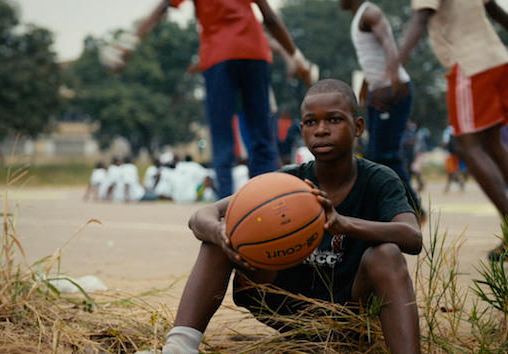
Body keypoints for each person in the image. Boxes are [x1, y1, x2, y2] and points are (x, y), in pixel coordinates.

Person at [161, 79, 422, 353]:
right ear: (302, 129)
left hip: (348, 310)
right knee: (225, 233)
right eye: (311, 122)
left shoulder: (379, 180)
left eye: (334, 120)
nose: (321, 130)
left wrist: (345, 224)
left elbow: (412, 237)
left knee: (386, 255)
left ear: (358, 127)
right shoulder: (286, 183)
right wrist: (221, 234)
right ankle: (179, 348)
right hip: (282, 304)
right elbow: (201, 216)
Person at [124, 0, 317, 199]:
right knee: (262, 137)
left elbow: (163, 6)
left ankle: (225, 212)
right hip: (254, 52)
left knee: (222, 138)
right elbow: (269, 18)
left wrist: (129, 42)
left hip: (219, 54)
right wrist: (296, 55)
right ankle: (267, 202)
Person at [399, 0, 508, 261]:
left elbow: (420, 17)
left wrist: (393, 64)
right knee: (492, 145)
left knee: (467, 146)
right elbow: (492, 7)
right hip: (497, 57)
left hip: (469, 65)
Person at [340, 0, 424, 218]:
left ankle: (414, 209)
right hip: (379, 92)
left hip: (392, 91)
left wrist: (391, 81)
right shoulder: (359, 16)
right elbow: (372, 60)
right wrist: (365, 90)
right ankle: (387, 209)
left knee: (386, 156)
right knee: (375, 156)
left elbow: (389, 44)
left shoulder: (370, 12)